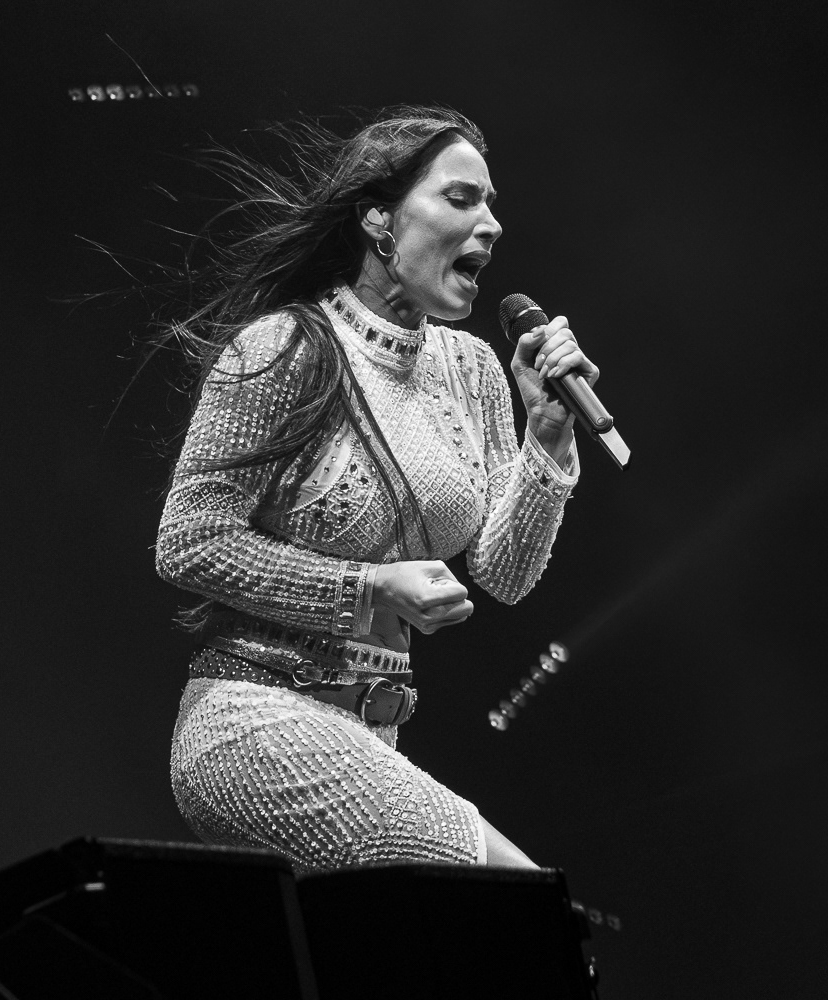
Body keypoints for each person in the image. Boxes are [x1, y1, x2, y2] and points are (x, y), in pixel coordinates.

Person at [154, 107, 597, 873]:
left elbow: (504, 574)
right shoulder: (286, 346)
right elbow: (188, 541)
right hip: (254, 718)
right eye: (461, 199)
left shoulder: (473, 370)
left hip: (375, 737)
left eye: (492, 205)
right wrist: (370, 588)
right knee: (514, 897)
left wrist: (548, 436)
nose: (491, 225)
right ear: (379, 220)